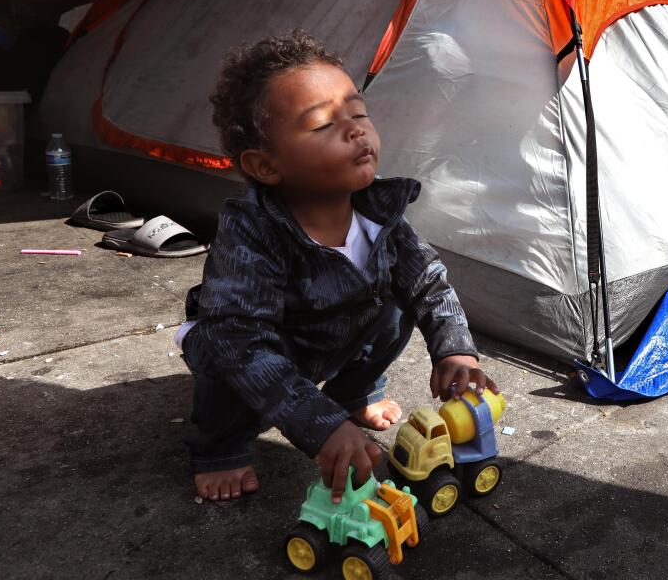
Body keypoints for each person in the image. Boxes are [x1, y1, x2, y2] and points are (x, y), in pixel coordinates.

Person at [178, 30, 496, 503]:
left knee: (396, 306)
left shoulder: (377, 210)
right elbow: (239, 337)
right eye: (324, 122)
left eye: (358, 111)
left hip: (336, 334)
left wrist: (455, 350)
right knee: (226, 354)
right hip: (260, 342)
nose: (356, 130)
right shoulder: (253, 230)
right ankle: (219, 449)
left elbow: (429, 282)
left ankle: (354, 393)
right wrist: (318, 425)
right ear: (266, 166)